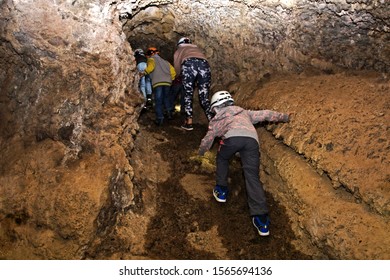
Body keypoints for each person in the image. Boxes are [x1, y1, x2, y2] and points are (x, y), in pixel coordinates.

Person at [198, 91, 290, 236]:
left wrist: (201, 152)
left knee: (222, 158)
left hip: (232, 139)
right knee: (252, 176)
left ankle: (221, 190)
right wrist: (284, 117)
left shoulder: (216, 120)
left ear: (216, 107)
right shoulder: (245, 113)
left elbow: (208, 139)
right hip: (252, 141)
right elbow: (266, 114)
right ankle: (262, 220)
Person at [174, 37, 212, 131]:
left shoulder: (180, 49)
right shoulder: (196, 48)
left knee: (188, 94)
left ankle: (189, 122)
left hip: (189, 64)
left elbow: (177, 66)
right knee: (204, 96)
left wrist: (178, 75)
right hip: (204, 65)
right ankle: (213, 121)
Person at [144, 47, 176, 126]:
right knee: (166, 98)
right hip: (167, 82)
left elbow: (150, 68)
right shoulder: (166, 62)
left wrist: (144, 72)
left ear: (150, 54)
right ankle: (169, 114)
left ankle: (160, 118)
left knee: (158, 100)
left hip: (158, 82)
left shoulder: (151, 60)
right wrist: (170, 79)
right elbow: (173, 72)